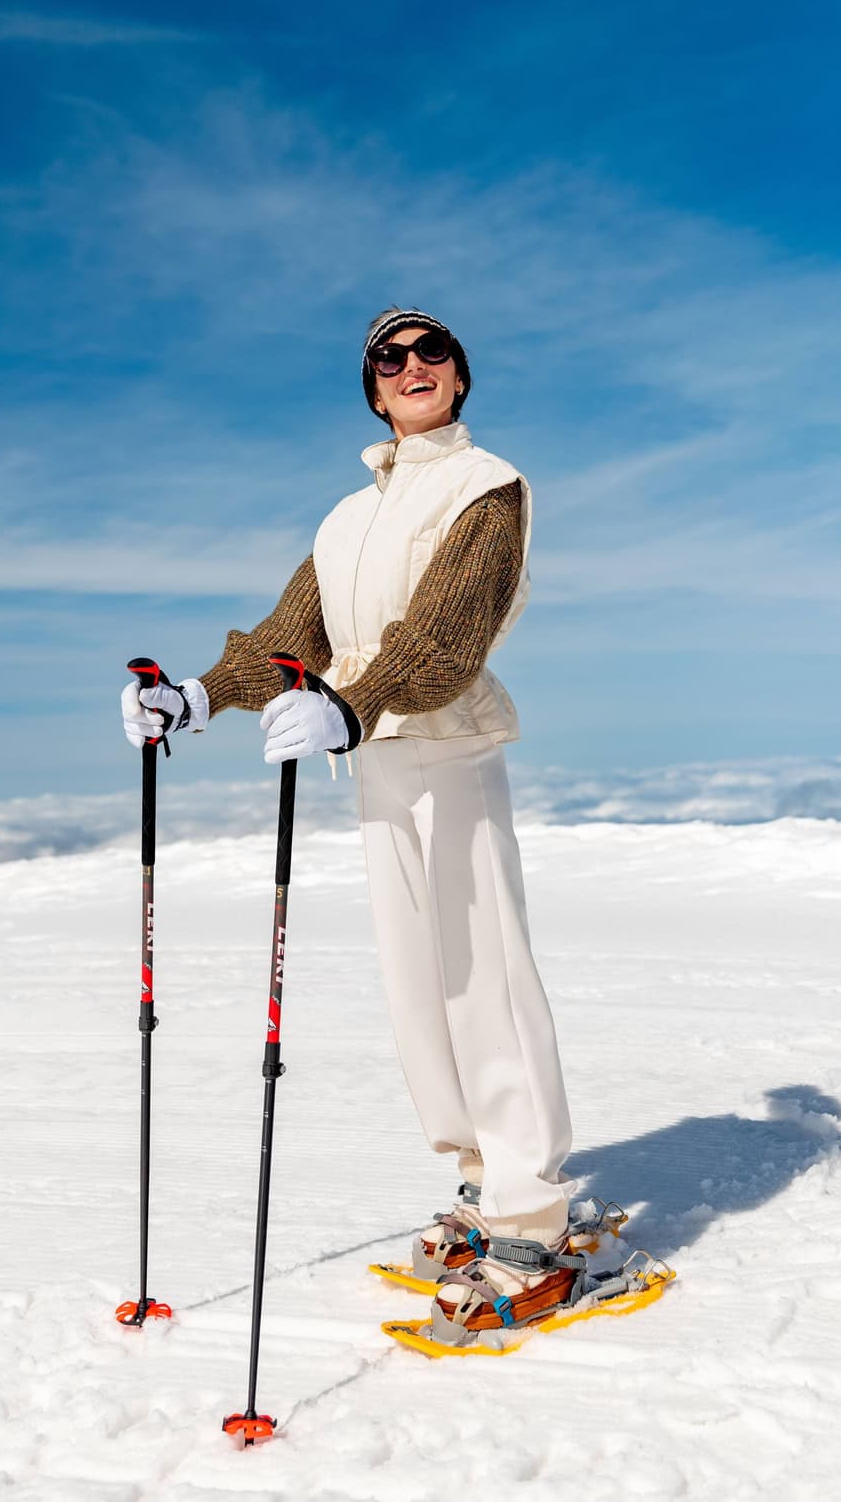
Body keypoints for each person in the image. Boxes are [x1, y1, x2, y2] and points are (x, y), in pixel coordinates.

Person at [121, 308, 591, 1345]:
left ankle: (533, 1219)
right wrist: (196, 697)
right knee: (418, 981)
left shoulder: (488, 488)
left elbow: (448, 633)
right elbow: (293, 636)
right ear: (374, 390)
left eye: (432, 351)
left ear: (459, 377)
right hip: (375, 753)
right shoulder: (346, 519)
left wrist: (349, 703)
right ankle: (482, 1179)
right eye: (391, 357)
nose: (413, 365)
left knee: (483, 973)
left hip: (447, 744)